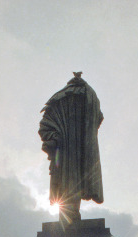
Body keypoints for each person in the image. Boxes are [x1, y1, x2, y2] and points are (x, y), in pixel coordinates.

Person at [39, 72, 104, 224]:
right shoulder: (90, 96)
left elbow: (45, 124)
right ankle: (70, 215)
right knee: (73, 181)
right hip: (76, 149)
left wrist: (53, 137)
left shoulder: (59, 99)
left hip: (69, 149)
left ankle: (69, 215)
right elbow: (99, 118)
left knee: (69, 181)